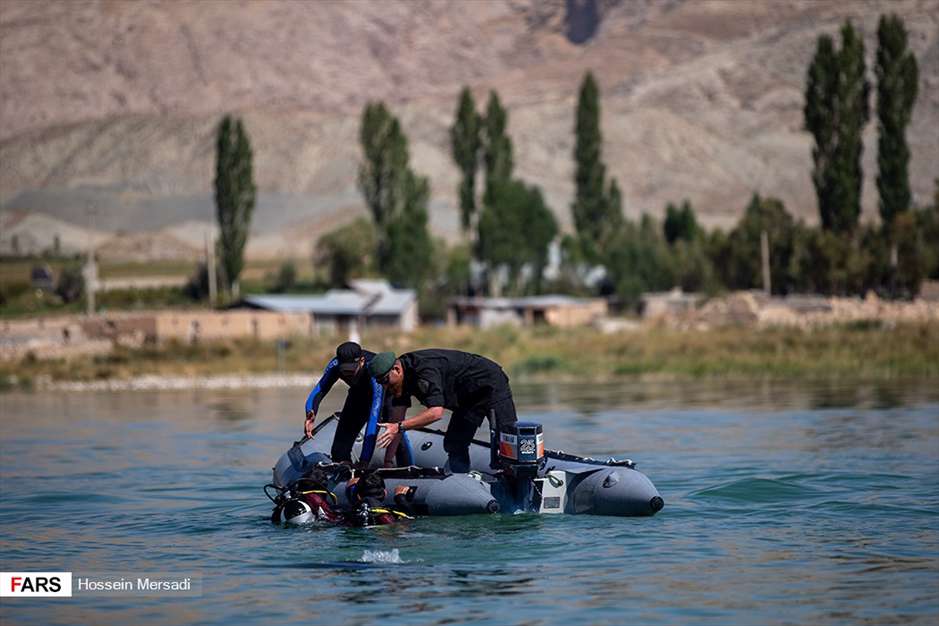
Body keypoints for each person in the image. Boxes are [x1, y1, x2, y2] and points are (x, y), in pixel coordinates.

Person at [370, 349, 518, 473]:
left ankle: (516, 477)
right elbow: (397, 419)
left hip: (490, 384)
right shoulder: (399, 383)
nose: (384, 387)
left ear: (397, 370)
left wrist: (399, 427)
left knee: (508, 441)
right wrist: (388, 463)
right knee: (454, 443)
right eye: (380, 382)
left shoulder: (424, 370)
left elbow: (436, 412)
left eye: (385, 380)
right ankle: (461, 480)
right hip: (468, 399)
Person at [303, 342, 385, 466]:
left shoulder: (372, 367)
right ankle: (346, 472)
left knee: (394, 439)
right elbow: (320, 389)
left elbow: (374, 416)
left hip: (384, 398)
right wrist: (310, 411)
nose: (348, 375)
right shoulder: (335, 364)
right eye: (344, 371)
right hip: (357, 396)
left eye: (351, 371)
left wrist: (364, 461)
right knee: (338, 451)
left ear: (361, 361)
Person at [342, 472, 414, 526]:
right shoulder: (388, 516)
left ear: (358, 496)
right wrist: (401, 498)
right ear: (385, 493)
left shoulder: (348, 517)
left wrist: (351, 491)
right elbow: (407, 523)